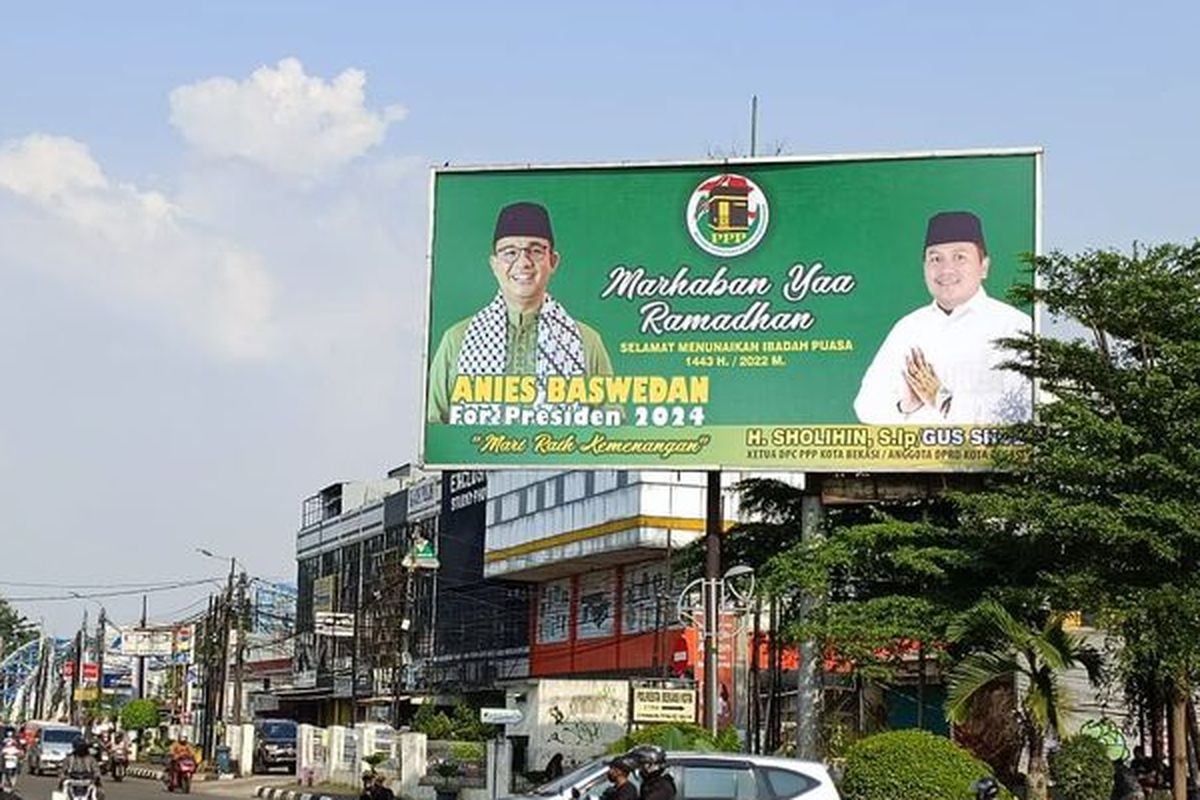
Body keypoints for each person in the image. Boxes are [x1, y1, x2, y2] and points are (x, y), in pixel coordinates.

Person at [427, 201, 614, 423]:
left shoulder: (587, 342)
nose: (523, 262)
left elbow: (610, 427)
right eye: (510, 252)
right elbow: (434, 432)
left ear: (552, 261)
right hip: (475, 459)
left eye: (535, 251)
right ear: (494, 264)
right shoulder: (456, 340)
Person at [853, 211, 1032, 425]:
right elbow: (864, 406)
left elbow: (1024, 409)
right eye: (936, 259)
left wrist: (942, 399)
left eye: (960, 257)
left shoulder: (1013, 325)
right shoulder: (908, 327)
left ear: (984, 267)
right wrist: (905, 405)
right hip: (912, 458)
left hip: (986, 458)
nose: (946, 269)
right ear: (924, 268)